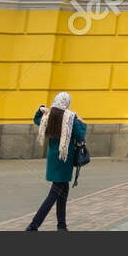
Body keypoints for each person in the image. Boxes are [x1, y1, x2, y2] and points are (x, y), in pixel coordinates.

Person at [26, 91, 86, 232]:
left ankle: (61, 226)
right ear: (67, 103)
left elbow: (36, 119)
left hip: (53, 159)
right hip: (64, 159)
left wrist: (41, 108)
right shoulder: (70, 119)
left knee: (62, 192)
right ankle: (33, 225)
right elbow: (81, 134)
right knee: (54, 194)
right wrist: (80, 120)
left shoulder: (48, 118)